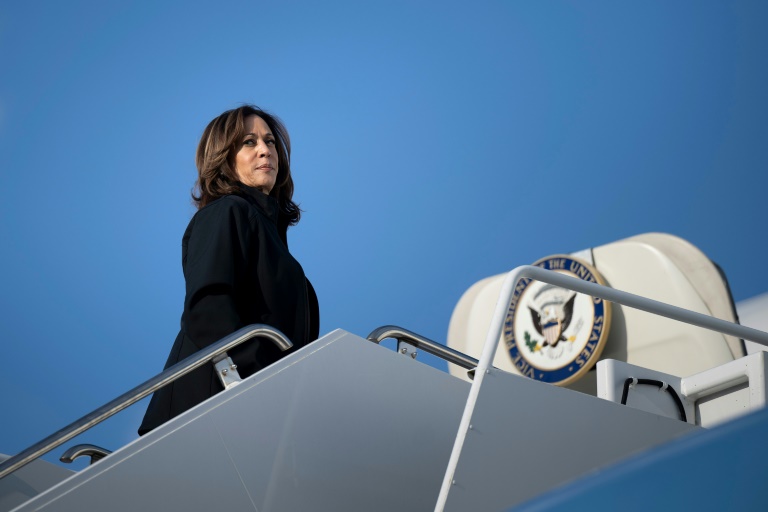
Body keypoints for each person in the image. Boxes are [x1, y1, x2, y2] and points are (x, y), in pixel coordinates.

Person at [138, 105, 319, 435]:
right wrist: (257, 376)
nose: (265, 149)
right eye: (249, 142)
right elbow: (207, 309)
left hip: (262, 415)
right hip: (204, 417)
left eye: (270, 141)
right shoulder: (226, 212)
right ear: (225, 158)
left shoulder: (283, 256)